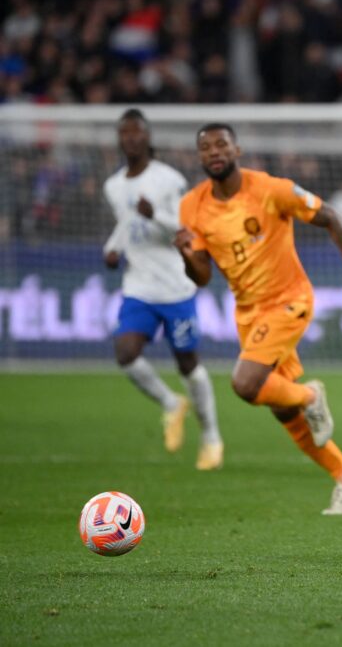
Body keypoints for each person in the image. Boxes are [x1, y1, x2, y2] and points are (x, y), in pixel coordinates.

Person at [175, 123, 342, 514]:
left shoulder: (271, 189)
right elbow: (201, 277)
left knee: (246, 383)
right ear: (199, 157)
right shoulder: (192, 206)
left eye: (221, 144)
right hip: (248, 314)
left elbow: (331, 216)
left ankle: (311, 395)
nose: (214, 152)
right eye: (205, 148)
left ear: (237, 150)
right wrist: (187, 254)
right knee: (282, 410)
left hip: (288, 301)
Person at [102, 109, 223, 470]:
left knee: (188, 364)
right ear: (120, 139)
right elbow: (126, 224)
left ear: (147, 136)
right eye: (125, 132)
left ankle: (211, 435)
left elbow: (188, 227)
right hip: (137, 285)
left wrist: (155, 213)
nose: (131, 138)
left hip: (175, 286)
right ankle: (172, 404)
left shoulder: (168, 180)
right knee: (125, 352)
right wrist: (113, 247)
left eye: (137, 132)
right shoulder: (113, 186)